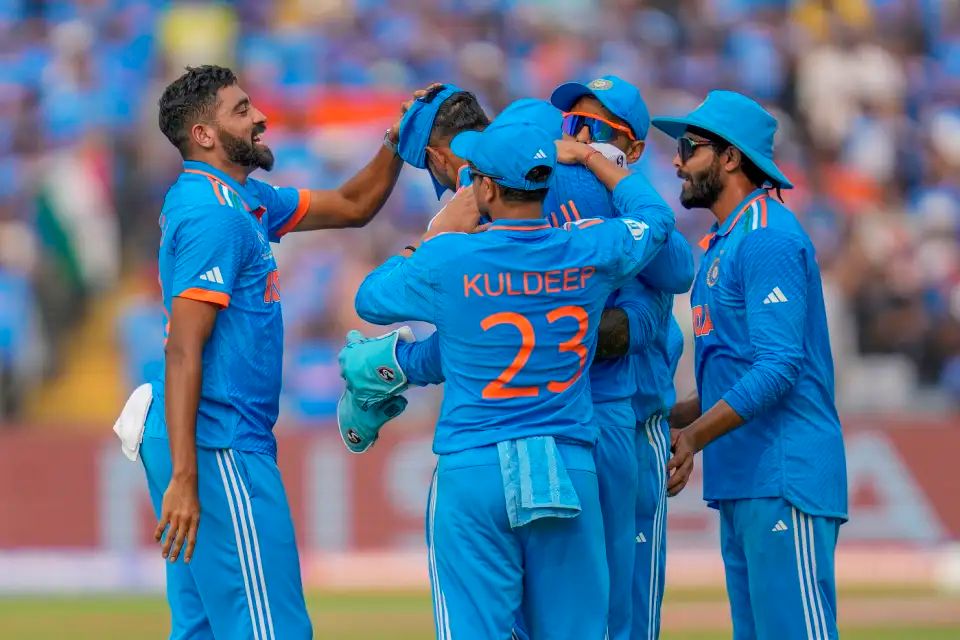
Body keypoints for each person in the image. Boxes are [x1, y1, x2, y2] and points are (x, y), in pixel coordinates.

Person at [348, 102, 675, 639]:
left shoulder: (450, 259)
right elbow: (657, 221)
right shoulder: (586, 249)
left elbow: (371, 298)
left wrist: (436, 232)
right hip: (567, 461)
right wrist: (592, 159)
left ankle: (393, 369)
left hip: (475, 464)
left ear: (486, 189)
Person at [143, 64, 423, 639]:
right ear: (203, 135)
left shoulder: (242, 199)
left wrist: (396, 141)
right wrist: (187, 477)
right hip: (219, 442)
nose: (261, 117)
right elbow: (184, 350)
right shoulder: (215, 215)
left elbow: (352, 204)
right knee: (271, 628)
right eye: (242, 110)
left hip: (208, 439)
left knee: (203, 629)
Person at [654, 90, 848, 639]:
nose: (676, 162)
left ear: (730, 157)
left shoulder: (767, 237)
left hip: (783, 473)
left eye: (689, 148)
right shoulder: (726, 241)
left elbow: (779, 367)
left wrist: (692, 436)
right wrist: (668, 414)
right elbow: (736, 371)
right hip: (744, 478)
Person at [549, 75, 694, 640]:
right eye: (573, 123)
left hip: (634, 419)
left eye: (597, 128)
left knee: (630, 606)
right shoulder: (552, 187)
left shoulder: (633, 196)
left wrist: (607, 181)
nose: (581, 138)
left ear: (631, 148)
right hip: (568, 416)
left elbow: (677, 269)